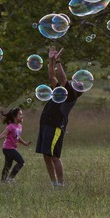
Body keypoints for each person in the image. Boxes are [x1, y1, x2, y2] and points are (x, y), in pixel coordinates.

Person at [35, 46, 82, 187]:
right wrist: (50, 60)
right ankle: (54, 183)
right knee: (46, 155)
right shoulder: (59, 91)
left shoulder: (71, 96)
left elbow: (61, 77)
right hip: (45, 123)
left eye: (75, 84)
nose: (72, 83)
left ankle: (60, 185)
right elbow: (52, 77)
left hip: (55, 126)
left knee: (54, 156)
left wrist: (58, 61)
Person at [0, 107, 32, 183]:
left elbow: (17, 137)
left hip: (10, 148)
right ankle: (10, 178)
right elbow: (2, 135)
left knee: (8, 165)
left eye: (22, 114)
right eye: (20, 114)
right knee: (21, 162)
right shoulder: (10, 126)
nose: (22, 116)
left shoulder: (20, 126)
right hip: (7, 148)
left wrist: (25, 143)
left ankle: (3, 181)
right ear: (15, 117)